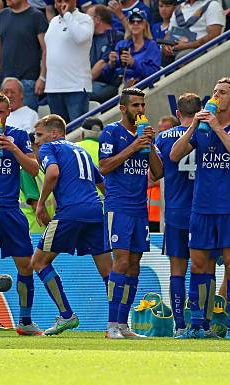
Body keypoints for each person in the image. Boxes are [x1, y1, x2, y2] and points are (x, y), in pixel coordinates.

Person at [170, 77, 230, 340]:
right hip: (201, 207)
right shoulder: (201, 128)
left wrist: (217, 128)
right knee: (199, 265)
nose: (216, 96)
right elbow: (174, 155)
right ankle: (198, 324)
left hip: (229, 208)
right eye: (214, 91)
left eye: (222, 92)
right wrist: (193, 125)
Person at [34, 114, 113, 335]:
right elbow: (102, 184)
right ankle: (119, 322)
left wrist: (41, 204)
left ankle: (67, 315)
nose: (37, 140)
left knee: (39, 262)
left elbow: (53, 173)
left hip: (70, 212)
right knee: (108, 270)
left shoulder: (50, 148)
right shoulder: (82, 151)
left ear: (54, 133)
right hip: (96, 211)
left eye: (40, 135)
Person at [0, 92, 42, 335]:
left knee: (26, 264)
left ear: (8, 113)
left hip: (11, 209)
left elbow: (34, 169)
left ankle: (24, 321)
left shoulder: (20, 136)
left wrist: (13, 148)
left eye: (0, 112)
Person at [99, 87, 163, 339]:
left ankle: (124, 324)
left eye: (142, 105)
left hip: (139, 207)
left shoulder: (144, 136)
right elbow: (104, 166)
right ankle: (111, 323)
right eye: (135, 106)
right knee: (122, 261)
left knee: (135, 264)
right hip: (119, 205)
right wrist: (134, 146)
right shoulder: (111, 132)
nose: (140, 110)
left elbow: (158, 173)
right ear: (123, 108)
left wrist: (150, 147)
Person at [154, 93, 200, 336]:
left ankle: (180, 325)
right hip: (203, 210)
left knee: (177, 269)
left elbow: (155, 174)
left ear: (178, 114)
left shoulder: (164, 137)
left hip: (175, 211)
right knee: (203, 268)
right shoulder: (206, 133)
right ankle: (199, 322)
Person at [0, 0, 48, 111]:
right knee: (3, 121)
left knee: (25, 123)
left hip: (28, 82)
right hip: (4, 82)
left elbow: (46, 49)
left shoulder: (36, 16)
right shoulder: (2, 15)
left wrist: (42, 77)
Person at [44, 0, 94, 124]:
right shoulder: (54, 21)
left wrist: (67, 15)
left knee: (77, 132)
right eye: (58, 1)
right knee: (57, 133)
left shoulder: (85, 19)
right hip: (53, 87)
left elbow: (80, 37)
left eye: (64, 0)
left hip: (75, 86)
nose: (61, 4)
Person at [102, 11, 161, 88]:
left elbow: (154, 73)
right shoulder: (122, 44)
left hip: (143, 86)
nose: (135, 24)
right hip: (121, 84)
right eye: (132, 21)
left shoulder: (152, 46)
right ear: (128, 25)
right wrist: (110, 64)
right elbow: (106, 75)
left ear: (144, 25)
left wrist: (134, 63)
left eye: (139, 21)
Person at [88, 4, 122, 103]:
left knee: (80, 93)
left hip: (108, 84)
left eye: (87, 18)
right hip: (92, 83)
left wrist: (82, 84)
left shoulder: (115, 35)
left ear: (97, 20)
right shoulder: (89, 38)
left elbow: (102, 64)